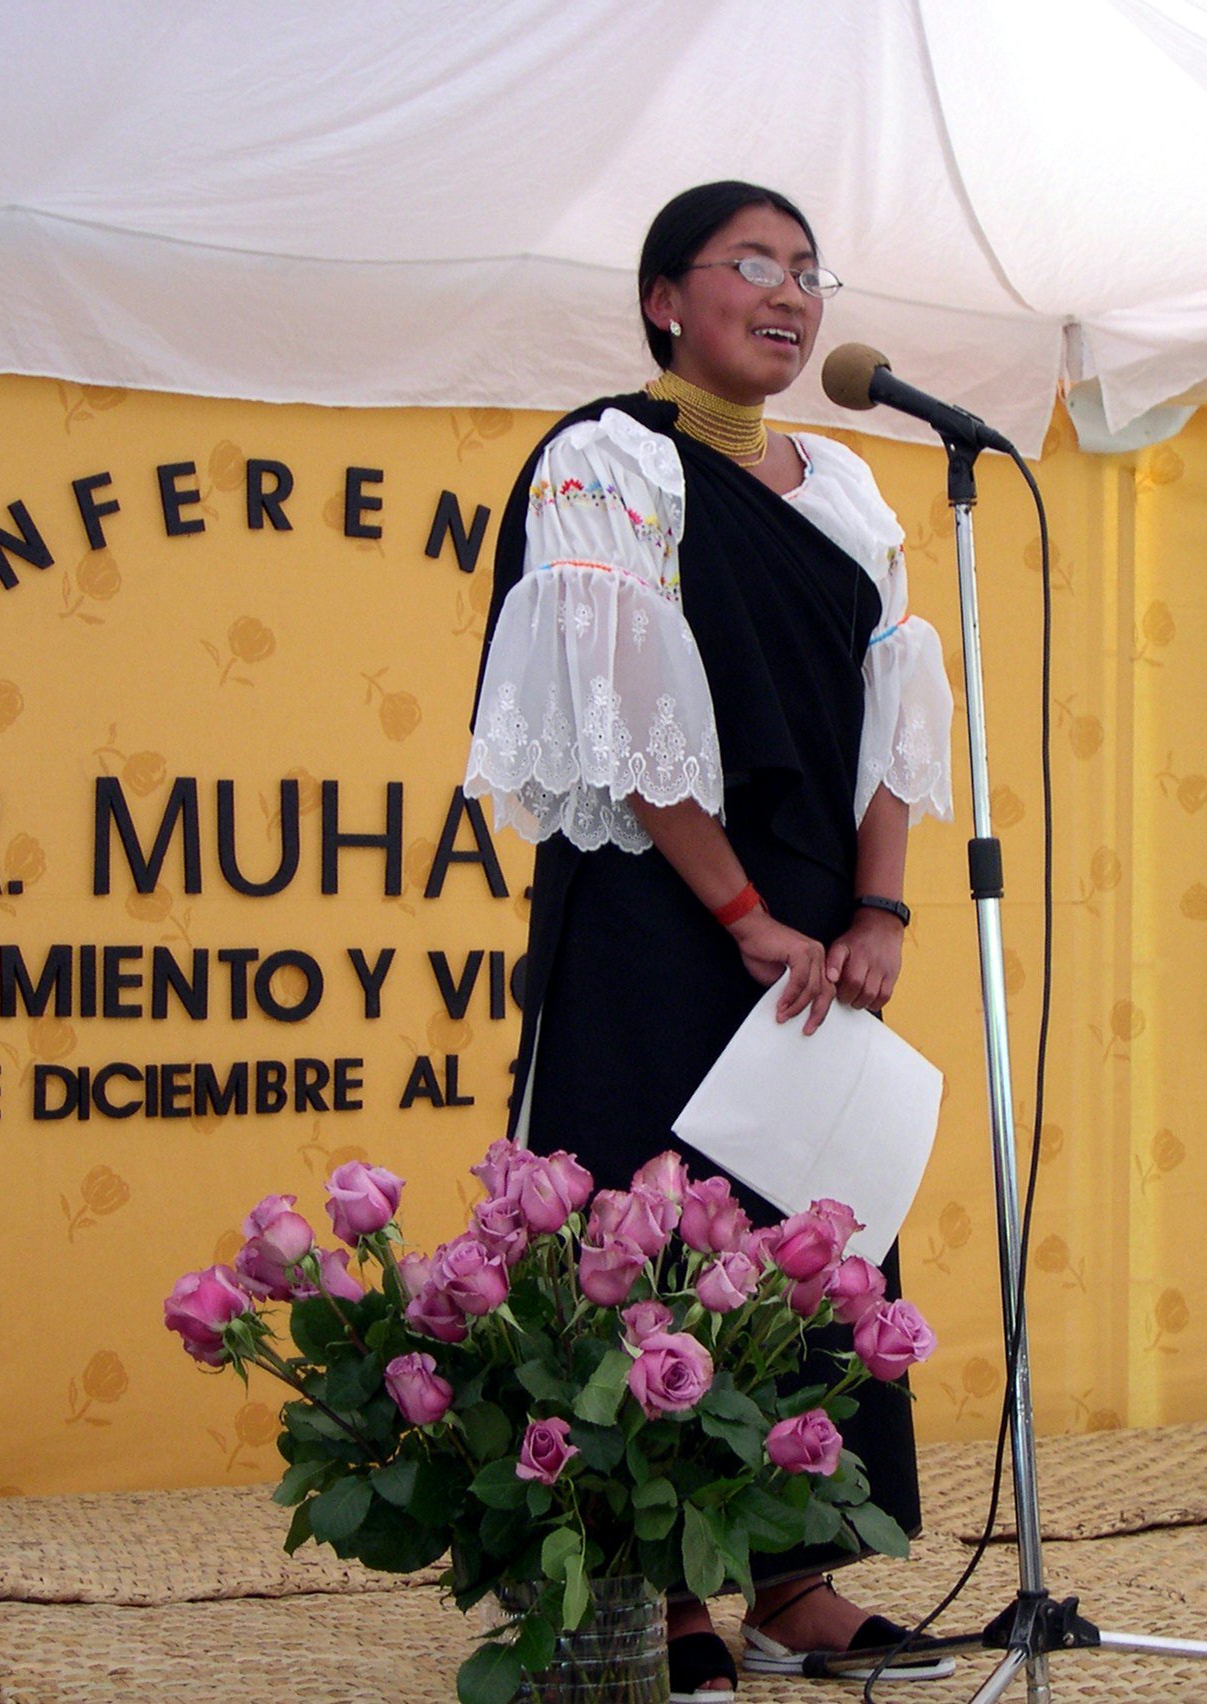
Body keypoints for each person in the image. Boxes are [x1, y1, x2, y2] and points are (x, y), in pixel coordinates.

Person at [463, 181, 956, 1696]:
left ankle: (799, 1582)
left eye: (810, 271)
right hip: (664, 913)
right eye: (755, 264)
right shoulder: (604, 460)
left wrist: (875, 909)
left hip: (822, 924)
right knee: (651, 1234)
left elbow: (893, 715)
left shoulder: (851, 491)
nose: (792, 294)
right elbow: (618, 709)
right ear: (667, 299)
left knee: (817, 1238)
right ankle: (662, 1594)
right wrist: (743, 915)